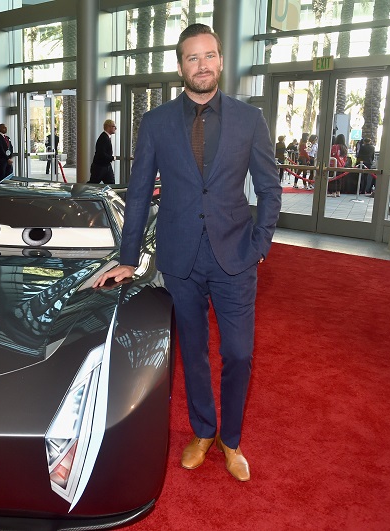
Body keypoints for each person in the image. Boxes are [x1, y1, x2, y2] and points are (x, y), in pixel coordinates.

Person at [93, 23, 282, 482]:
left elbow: (270, 186)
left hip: (236, 256)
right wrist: (129, 255)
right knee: (193, 351)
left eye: (210, 55)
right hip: (180, 259)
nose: (202, 65)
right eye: (192, 58)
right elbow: (138, 193)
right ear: (181, 66)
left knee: (238, 353)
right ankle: (203, 430)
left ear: (220, 60)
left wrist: (259, 244)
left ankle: (231, 440)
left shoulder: (248, 119)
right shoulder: (156, 123)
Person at [89, 119, 116, 184]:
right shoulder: (103, 138)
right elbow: (101, 153)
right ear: (108, 127)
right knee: (93, 185)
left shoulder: (105, 137)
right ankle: (81, 192)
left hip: (106, 166)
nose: (115, 128)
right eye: (114, 126)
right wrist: (112, 158)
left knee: (111, 184)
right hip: (100, 167)